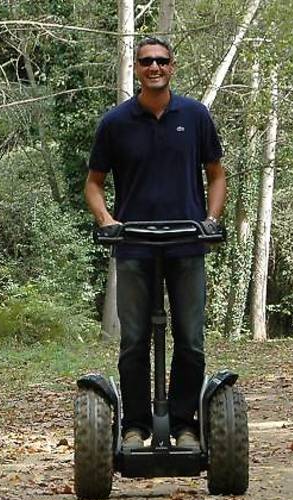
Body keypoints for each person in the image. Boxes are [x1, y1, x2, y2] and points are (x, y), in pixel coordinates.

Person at [84, 37, 227, 450]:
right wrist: (108, 220)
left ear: (172, 66)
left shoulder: (195, 115)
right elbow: (94, 184)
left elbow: (216, 174)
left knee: (191, 338)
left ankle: (184, 426)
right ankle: (135, 427)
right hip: (134, 246)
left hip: (186, 244)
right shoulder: (115, 122)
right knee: (134, 341)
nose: (154, 67)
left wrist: (211, 220)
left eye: (161, 60)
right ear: (136, 68)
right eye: (146, 61)